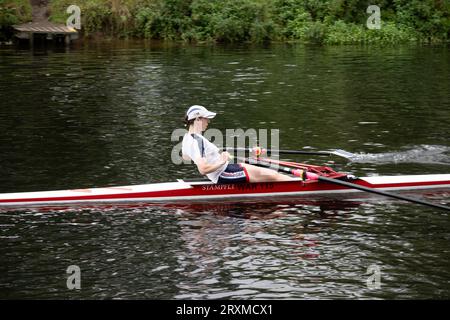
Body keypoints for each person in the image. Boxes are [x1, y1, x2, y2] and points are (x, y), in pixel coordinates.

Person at [181, 105, 305, 184]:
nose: (208, 121)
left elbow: (186, 157)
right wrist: (221, 161)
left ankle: (298, 182)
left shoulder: (188, 138)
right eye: (206, 118)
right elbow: (202, 169)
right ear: (197, 119)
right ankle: (302, 186)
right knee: (273, 175)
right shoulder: (196, 141)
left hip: (226, 169)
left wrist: (215, 154)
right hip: (223, 174)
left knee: (270, 172)